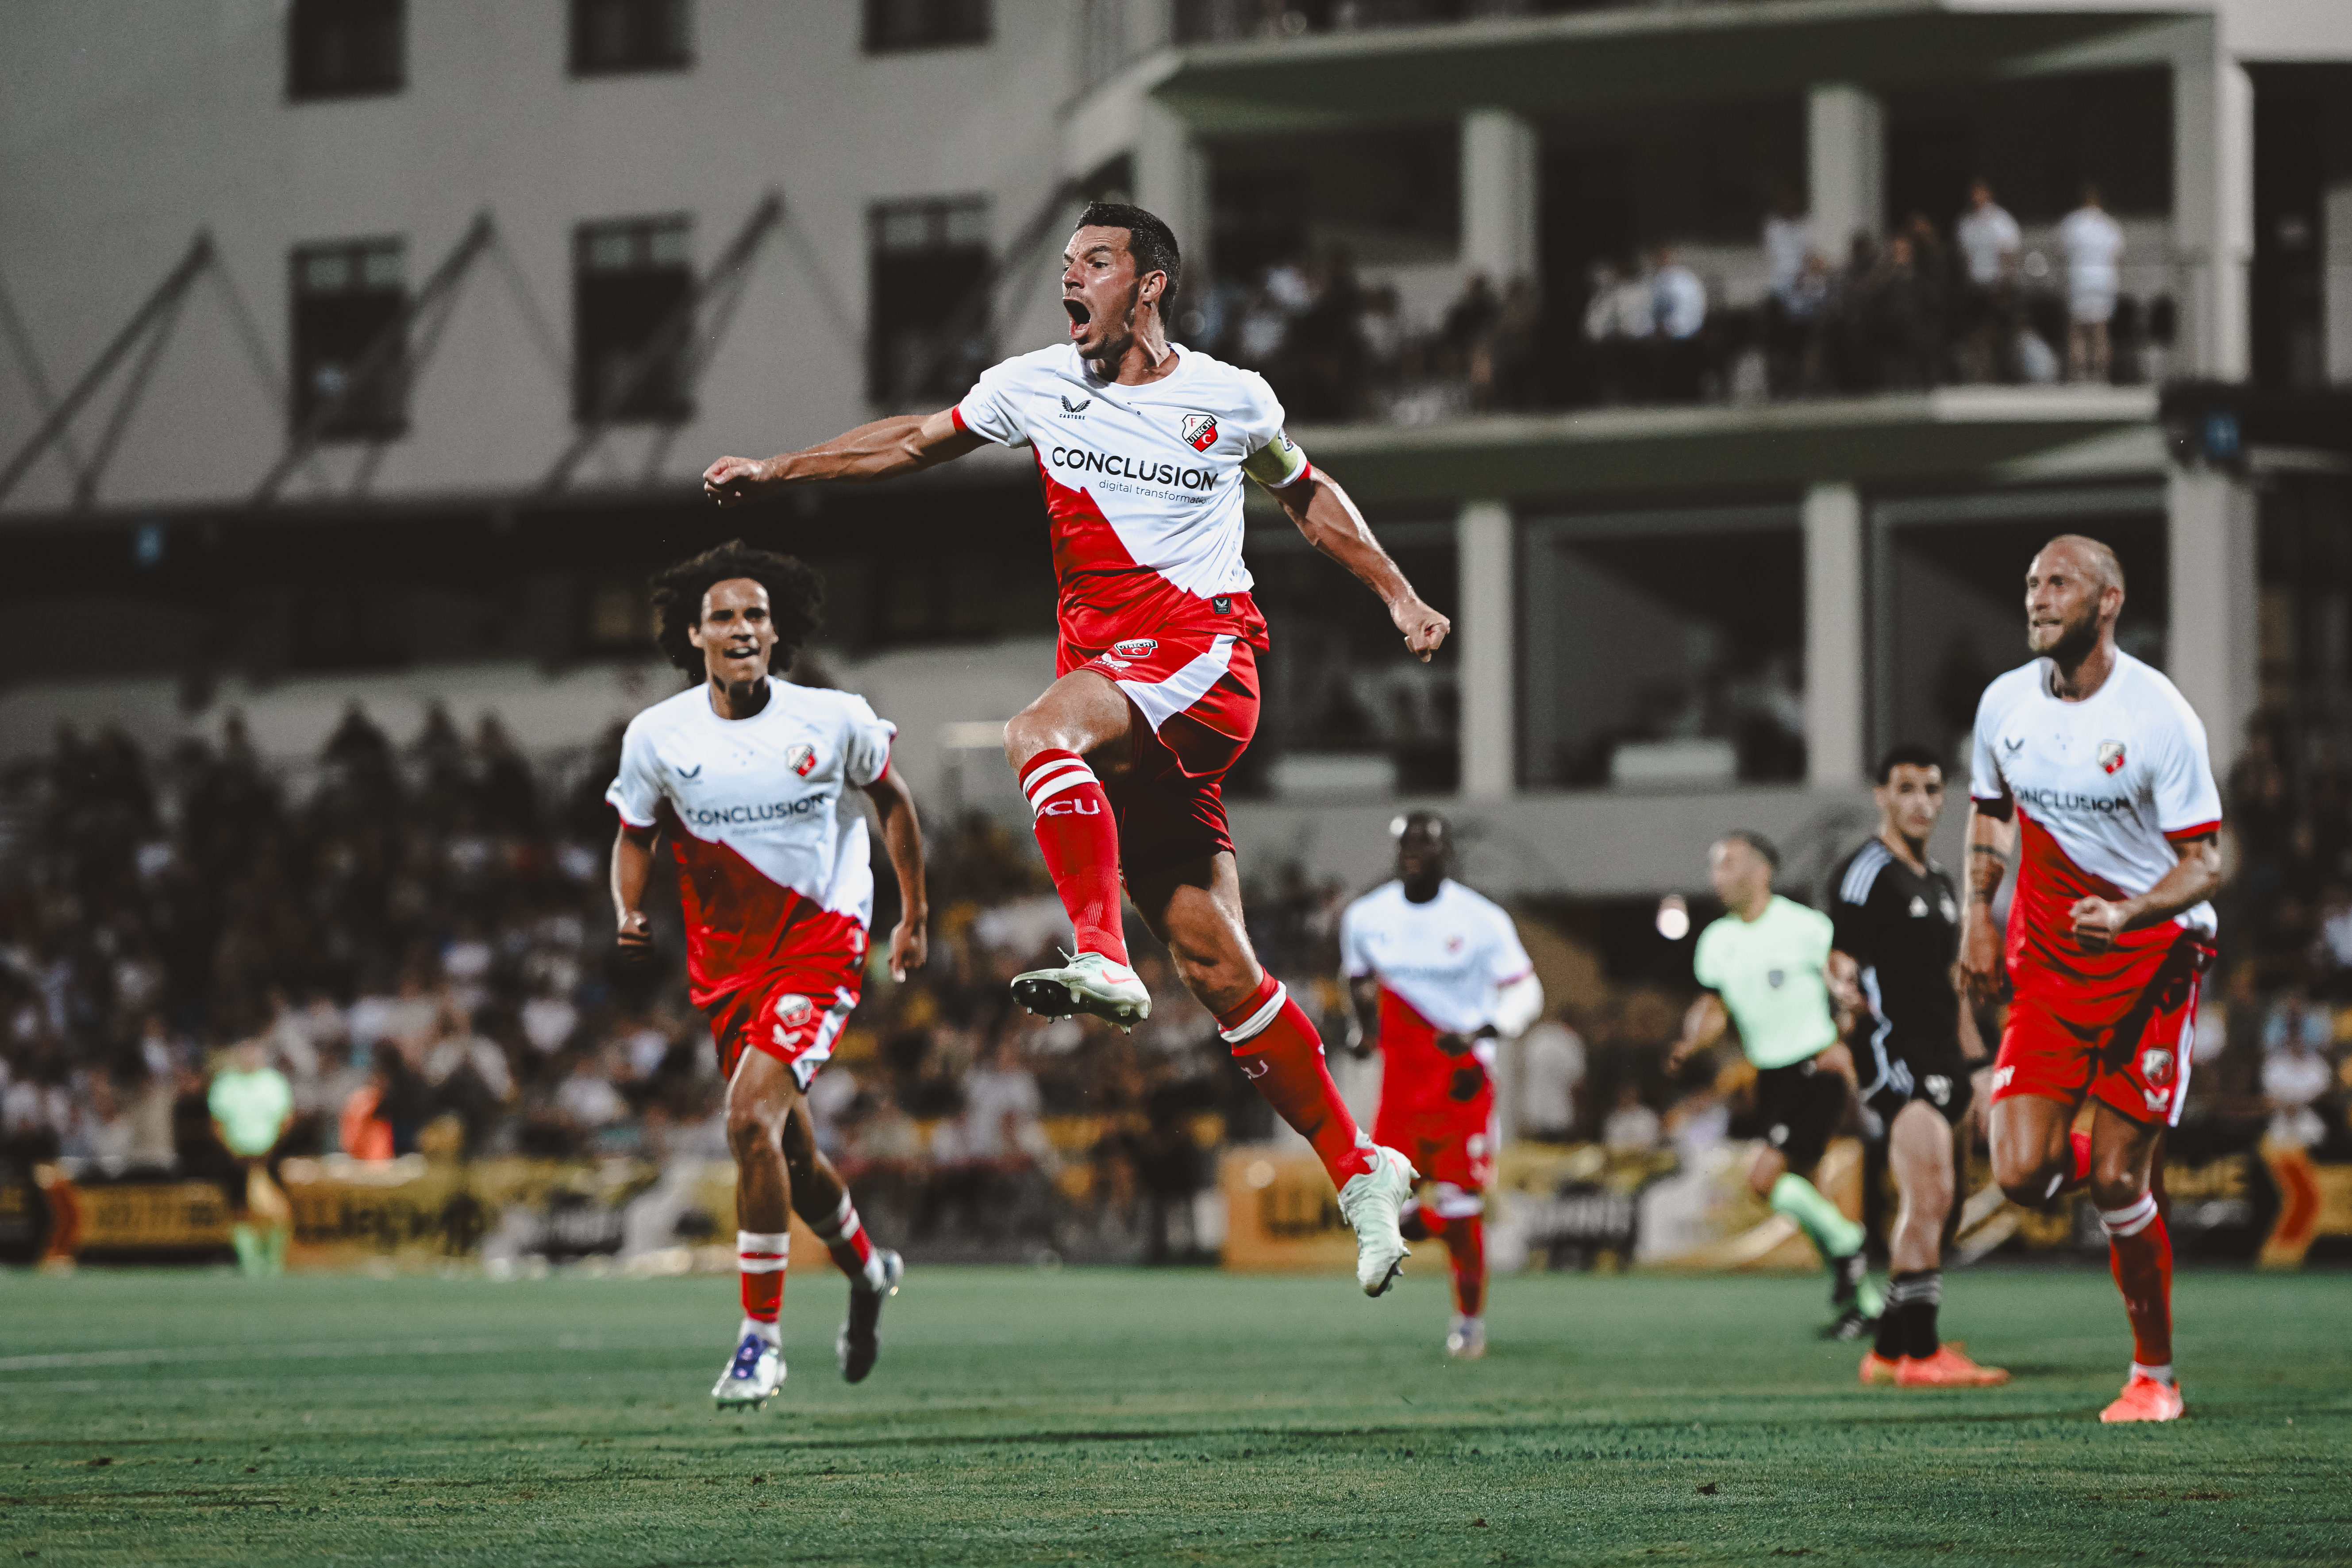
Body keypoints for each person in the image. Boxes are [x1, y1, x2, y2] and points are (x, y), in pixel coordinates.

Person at [703, 201, 1448, 1298]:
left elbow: (1308, 495)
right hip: (1133, 711)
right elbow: (913, 439)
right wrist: (778, 471)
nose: (1071, 280)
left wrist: (1399, 592)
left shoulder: (1231, 398)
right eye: (1065, 264)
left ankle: (1100, 951)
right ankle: (1359, 1172)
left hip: (1204, 662)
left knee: (1034, 731)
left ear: (1149, 283)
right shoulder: (1036, 384)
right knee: (1215, 961)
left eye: (1094, 262)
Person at [607, 540, 928, 1411]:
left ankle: (759, 1341)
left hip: (819, 944)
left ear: (775, 630)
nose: (742, 627)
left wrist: (911, 914)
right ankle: (866, 1267)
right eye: (724, 615)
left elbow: (891, 799)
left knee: (747, 1118)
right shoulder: (658, 735)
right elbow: (634, 831)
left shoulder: (830, 718)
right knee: (785, 1147)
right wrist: (627, 907)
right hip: (725, 967)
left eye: (755, 614)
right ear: (693, 634)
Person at [1962, 534, 2227, 1424]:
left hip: (2155, 962)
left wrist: (2125, 914)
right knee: (2017, 1176)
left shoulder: (2157, 716)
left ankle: (2152, 1375)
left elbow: (2204, 863)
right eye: (2029, 582)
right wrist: (1974, 917)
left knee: (2113, 1181)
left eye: (2057, 583)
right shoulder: (2002, 703)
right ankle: (2117, 1173)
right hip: (2046, 968)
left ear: (2106, 600)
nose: (2036, 598)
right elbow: (1990, 813)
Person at [1827, 744, 2009, 1388]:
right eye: (1905, 788)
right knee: (1925, 1195)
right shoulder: (1865, 870)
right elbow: (1840, 957)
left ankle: (1887, 1346)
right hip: (1893, 1051)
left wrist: (1980, 1066)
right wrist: (1842, 991)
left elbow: (1950, 982)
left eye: (1931, 789)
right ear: (1880, 794)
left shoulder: (1936, 881)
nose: (1920, 802)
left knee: (1948, 1207)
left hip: (1944, 1055)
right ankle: (1921, 1353)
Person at [1340, 812, 1544, 1360]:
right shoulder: (1365, 916)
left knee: (1460, 1209)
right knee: (1385, 1206)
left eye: (1426, 845)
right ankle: (1421, 1226)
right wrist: (1363, 1031)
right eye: (1405, 844)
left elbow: (1525, 990)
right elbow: (1358, 977)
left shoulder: (1481, 920)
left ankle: (1469, 1321)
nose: (1414, 854)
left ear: (1446, 852)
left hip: (1462, 1082)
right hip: (1402, 1083)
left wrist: (1488, 1027)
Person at [1667, 832, 1885, 1337]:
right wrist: (1690, 1041)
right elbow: (1713, 1008)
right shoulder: (1716, 940)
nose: (1716, 876)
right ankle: (1866, 1304)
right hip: (1769, 1077)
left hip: (1814, 1066)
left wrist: (1845, 1041)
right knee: (1806, 1195)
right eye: (1714, 867)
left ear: (1761, 871)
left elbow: (1849, 988)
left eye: (1728, 864)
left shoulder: (1805, 927)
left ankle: (1849, 1240)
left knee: (1763, 1179)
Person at [208, 1036, 294, 1276]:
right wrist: (232, 1151)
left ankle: (274, 1262)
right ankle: (250, 1262)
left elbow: (286, 1119)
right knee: (240, 1209)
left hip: (268, 1155)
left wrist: (270, 1150)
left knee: (278, 1210)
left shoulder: (273, 1082)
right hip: (236, 1157)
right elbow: (217, 1123)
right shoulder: (226, 1083)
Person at [2059, 185, 2125, 384]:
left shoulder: (2072, 223)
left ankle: (2079, 374)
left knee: (2078, 330)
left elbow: (2062, 252)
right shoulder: (2110, 225)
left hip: (2080, 279)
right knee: (2100, 329)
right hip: (2103, 280)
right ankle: (2100, 374)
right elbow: (2118, 254)